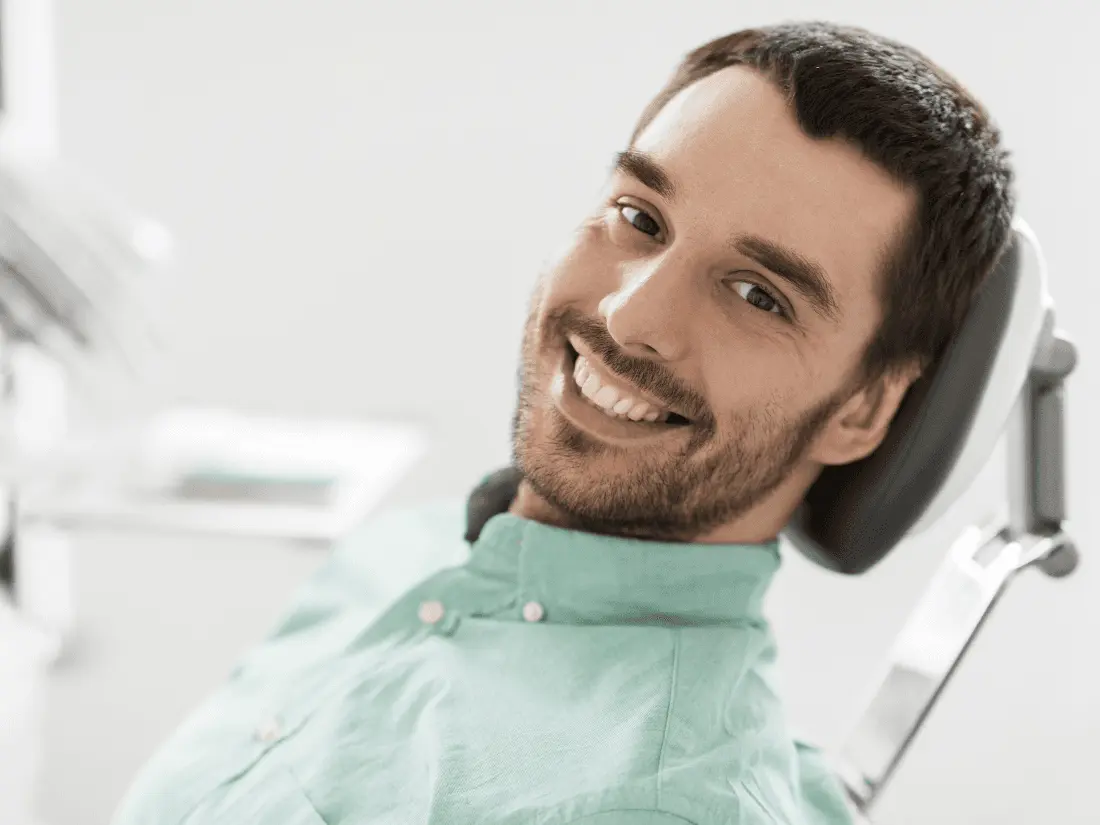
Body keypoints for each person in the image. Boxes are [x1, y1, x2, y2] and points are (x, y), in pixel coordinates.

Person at [111, 20, 1014, 825]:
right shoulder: (404, 555)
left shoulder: (646, 801)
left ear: (862, 409)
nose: (630, 316)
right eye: (639, 217)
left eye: (757, 294)